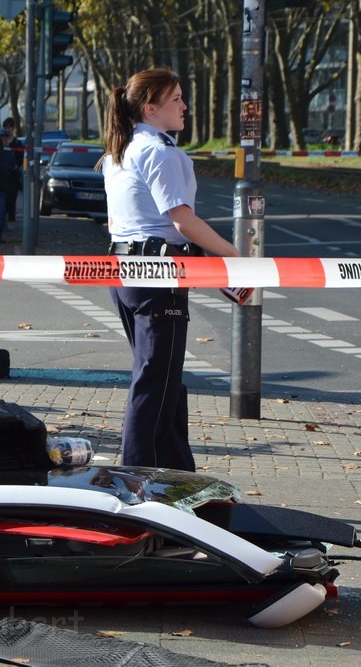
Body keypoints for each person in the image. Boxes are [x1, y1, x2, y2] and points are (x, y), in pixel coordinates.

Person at [102, 67, 240, 472]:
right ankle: (138, 478)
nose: (184, 106)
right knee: (154, 381)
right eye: (176, 98)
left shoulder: (120, 150)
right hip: (157, 275)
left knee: (162, 379)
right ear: (151, 108)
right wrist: (232, 254)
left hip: (126, 269)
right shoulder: (160, 152)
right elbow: (182, 220)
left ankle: (176, 471)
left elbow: (118, 222)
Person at [0, 118, 24, 222]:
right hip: (2, 174)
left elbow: (20, 159)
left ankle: (11, 218)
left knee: (12, 197)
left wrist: (16, 166)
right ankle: (3, 217)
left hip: (13, 174)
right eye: (6, 127)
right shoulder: (1, 142)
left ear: (13, 128)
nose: (8, 129)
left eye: (10, 127)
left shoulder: (17, 143)